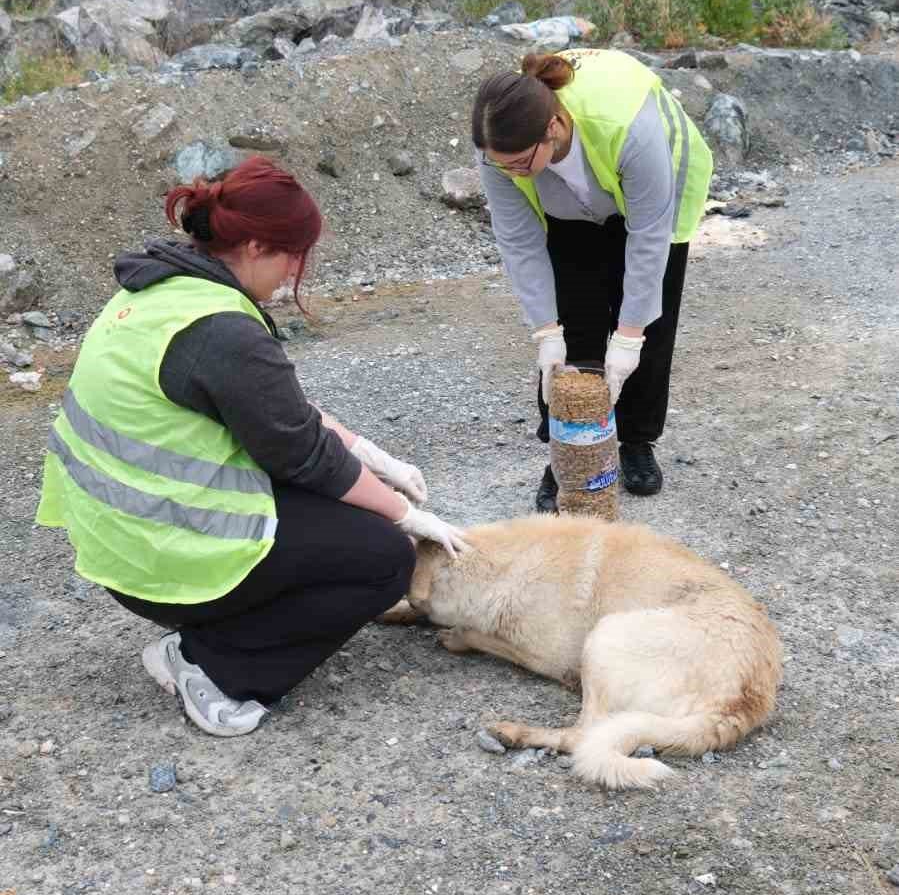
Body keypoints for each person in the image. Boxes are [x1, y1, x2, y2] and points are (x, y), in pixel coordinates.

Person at [36, 156, 468, 737]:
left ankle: (217, 631)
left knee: (350, 499)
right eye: (293, 257)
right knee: (383, 557)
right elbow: (303, 454)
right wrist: (405, 514)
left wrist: (369, 454)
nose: (294, 275)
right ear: (259, 246)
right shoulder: (220, 328)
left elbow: (276, 416)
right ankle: (215, 667)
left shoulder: (162, 289)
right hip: (160, 562)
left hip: (120, 543)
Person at [471, 47, 713, 509]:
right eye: (502, 165)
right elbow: (520, 244)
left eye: (520, 163)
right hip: (569, 207)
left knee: (648, 321)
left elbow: (647, 239)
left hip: (655, 189)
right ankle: (567, 456)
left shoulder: (628, 128)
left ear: (554, 128)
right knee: (574, 317)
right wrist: (546, 331)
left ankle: (636, 441)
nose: (510, 172)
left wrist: (627, 339)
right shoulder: (498, 147)